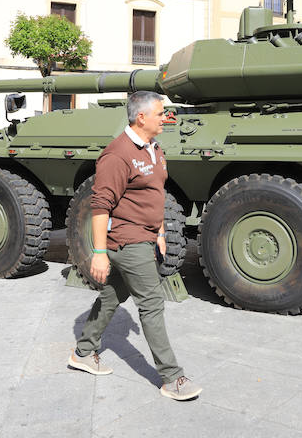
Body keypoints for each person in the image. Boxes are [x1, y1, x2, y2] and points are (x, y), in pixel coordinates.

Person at [69, 91, 202, 401]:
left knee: (113, 296)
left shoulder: (154, 149)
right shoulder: (117, 154)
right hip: (127, 241)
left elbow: (151, 195)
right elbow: (101, 205)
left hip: (144, 236)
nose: (165, 118)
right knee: (152, 303)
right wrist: (99, 253)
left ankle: (83, 353)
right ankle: (172, 377)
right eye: (160, 113)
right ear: (141, 117)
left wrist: (159, 231)